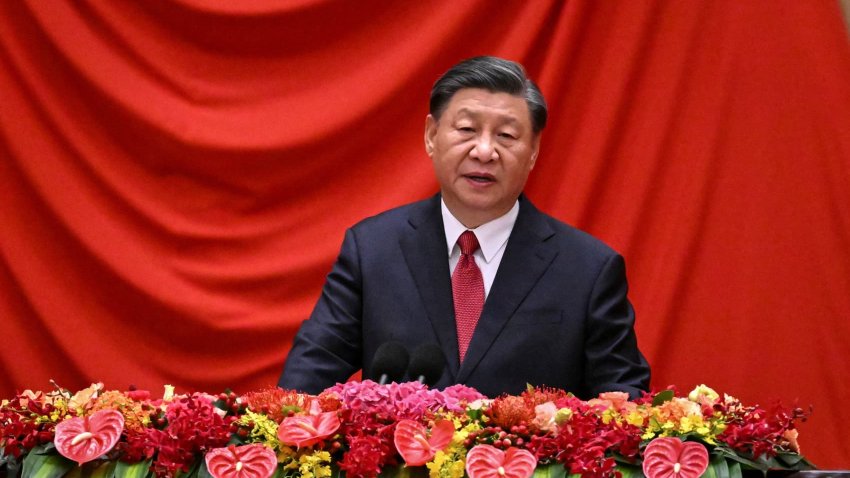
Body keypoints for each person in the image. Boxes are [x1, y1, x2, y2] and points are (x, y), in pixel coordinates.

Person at [278, 56, 650, 399]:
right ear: (431, 135)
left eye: (506, 136)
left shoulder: (588, 269)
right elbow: (306, 380)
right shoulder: (372, 248)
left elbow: (622, 399)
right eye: (468, 129)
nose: (485, 151)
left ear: (533, 150)